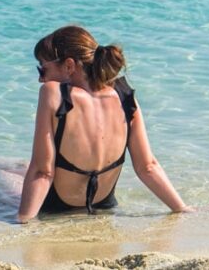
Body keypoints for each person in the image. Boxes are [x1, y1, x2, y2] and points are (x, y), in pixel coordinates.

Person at [17, 26, 191, 221]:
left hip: (58, 210)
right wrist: (181, 208)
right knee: (15, 168)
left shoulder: (52, 92)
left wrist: (23, 221)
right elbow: (147, 167)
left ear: (68, 66)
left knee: (2, 175)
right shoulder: (125, 95)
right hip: (104, 207)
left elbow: (43, 172)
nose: (41, 78)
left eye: (42, 68)